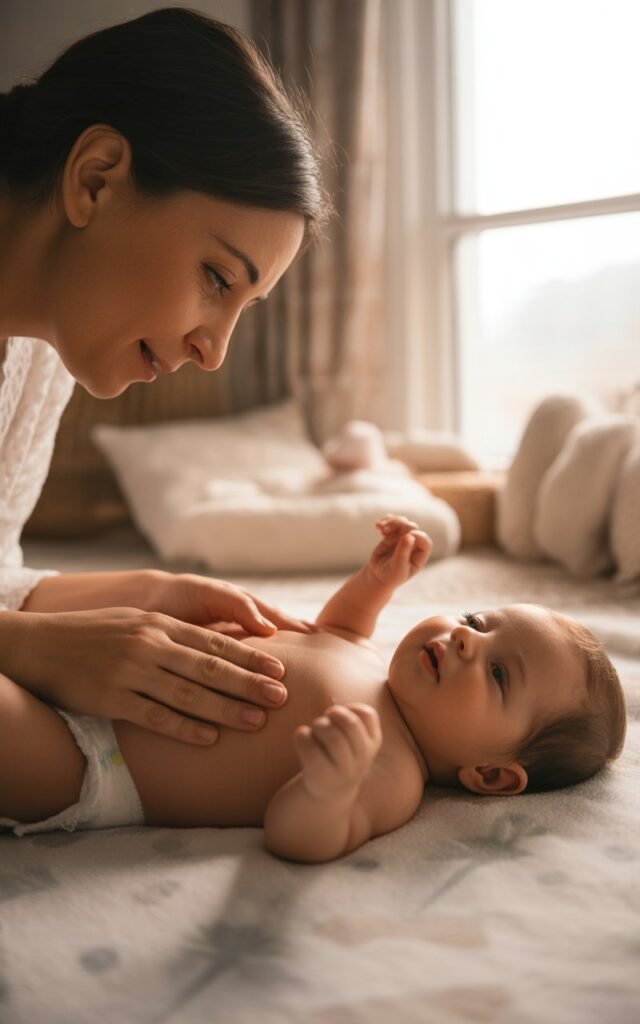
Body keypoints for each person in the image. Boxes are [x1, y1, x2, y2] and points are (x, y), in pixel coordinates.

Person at [0, 9, 330, 745]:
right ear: (95, 179)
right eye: (216, 277)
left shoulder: (38, 352)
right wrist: (24, 646)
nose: (215, 351)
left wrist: (147, 593)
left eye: (244, 307)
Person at [1, 515, 627, 863]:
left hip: (93, 756)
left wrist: (329, 788)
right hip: (103, 660)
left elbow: (298, 835)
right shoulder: (370, 658)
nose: (468, 641)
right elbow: (339, 627)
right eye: (476, 621)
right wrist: (376, 582)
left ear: (490, 775)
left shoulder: (390, 772)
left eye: (497, 674)